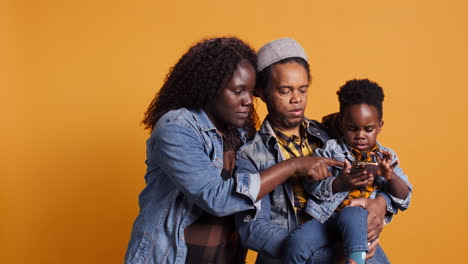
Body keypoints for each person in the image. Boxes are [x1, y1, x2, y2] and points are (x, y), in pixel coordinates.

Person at [124, 37, 341, 264]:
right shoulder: (177, 128)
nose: (248, 101)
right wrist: (293, 165)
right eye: (238, 91)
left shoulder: (241, 135)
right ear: (210, 89)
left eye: (250, 91)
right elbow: (216, 198)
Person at [235, 38, 398, 264]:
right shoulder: (250, 155)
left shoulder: (332, 136)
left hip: (346, 246)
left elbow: (381, 177)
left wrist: (380, 204)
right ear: (262, 92)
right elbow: (252, 229)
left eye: (303, 89)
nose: (297, 99)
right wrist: (326, 251)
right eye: (285, 91)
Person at [283, 79, 413, 264]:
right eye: (353, 129)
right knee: (296, 243)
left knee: (351, 213)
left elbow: (404, 197)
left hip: (357, 223)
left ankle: (356, 259)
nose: (360, 135)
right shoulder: (331, 150)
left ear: (380, 126)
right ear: (342, 123)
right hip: (326, 219)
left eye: (368, 129)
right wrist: (340, 183)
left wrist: (389, 176)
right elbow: (311, 187)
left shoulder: (386, 158)